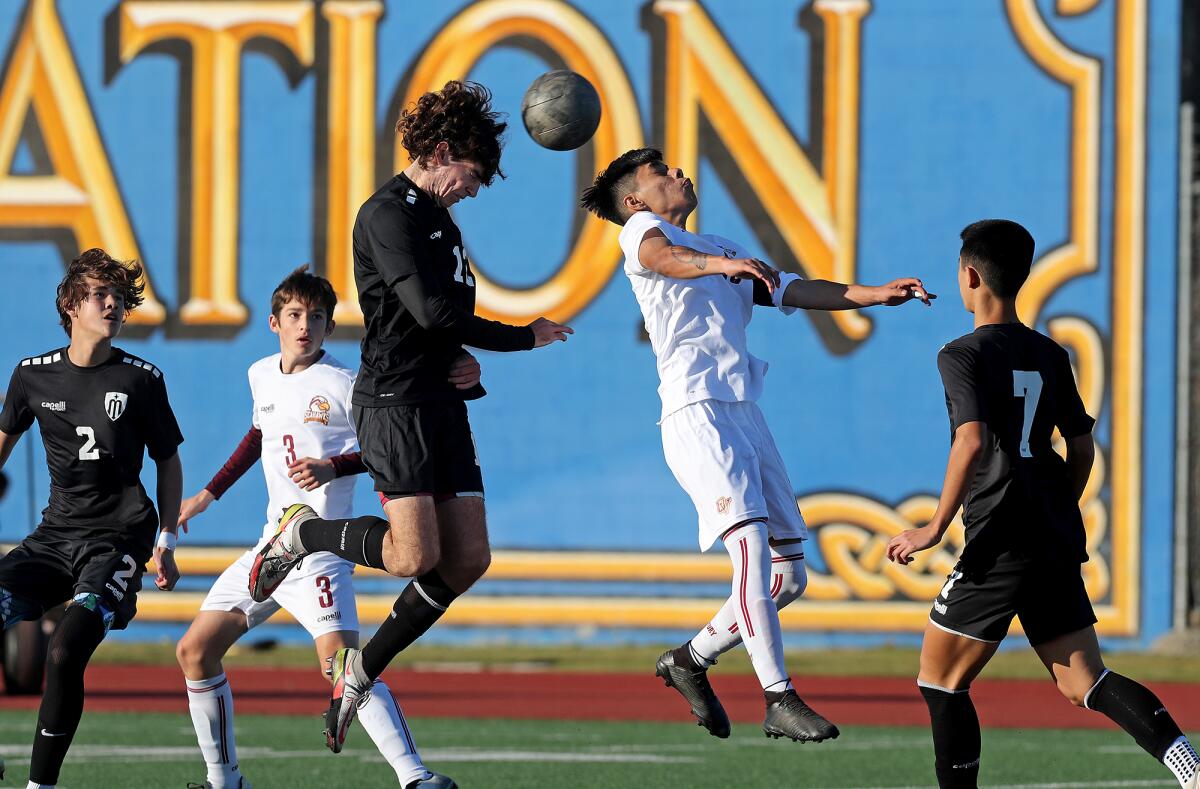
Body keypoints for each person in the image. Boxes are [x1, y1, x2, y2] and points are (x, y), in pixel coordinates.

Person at [247, 80, 571, 752]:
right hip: (394, 401)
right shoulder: (386, 214)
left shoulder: (440, 220)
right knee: (413, 555)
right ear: (443, 151)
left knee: (469, 558)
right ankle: (305, 537)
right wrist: (520, 337)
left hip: (440, 402)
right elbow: (429, 312)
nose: (476, 190)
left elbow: (439, 323)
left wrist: (466, 364)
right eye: (473, 175)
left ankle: (361, 669)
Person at [579, 147, 933, 742]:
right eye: (660, 173)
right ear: (635, 199)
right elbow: (667, 260)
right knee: (749, 550)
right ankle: (778, 696)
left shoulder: (719, 245)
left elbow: (793, 290)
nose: (678, 173)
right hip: (697, 415)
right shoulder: (644, 232)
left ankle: (688, 660)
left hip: (745, 413)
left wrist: (876, 294)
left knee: (789, 576)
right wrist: (724, 267)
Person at [886, 219, 1200, 789]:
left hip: (1000, 537)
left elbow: (972, 440)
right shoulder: (1050, 353)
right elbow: (1080, 446)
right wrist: (1055, 504)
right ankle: (1188, 762)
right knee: (1085, 680)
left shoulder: (961, 354)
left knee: (940, 681)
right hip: (1051, 533)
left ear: (971, 275)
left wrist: (932, 527)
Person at [174, 267, 453, 788]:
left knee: (342, 668)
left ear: (328, 326)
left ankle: (416, 776)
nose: (306, 326)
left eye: (318, 317)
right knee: (194, 650)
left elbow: (382, 451)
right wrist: (206, 495)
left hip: (321, 550)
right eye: (296, 316)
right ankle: (224, 782)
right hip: (270, 547)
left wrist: (334, 467)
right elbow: (257, 436)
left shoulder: (344, 384)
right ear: (274, 322)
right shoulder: (260, 374)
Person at [0, 248, 183, 789]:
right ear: (70, 304)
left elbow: (168, 461)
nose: (113, 305)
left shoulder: (141, 379)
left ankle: (40, 786)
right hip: (53, 538)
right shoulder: (31, 377)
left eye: (119, 298)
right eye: (101, 295)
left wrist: (165, 541)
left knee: (65, 647)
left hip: (118, 540)